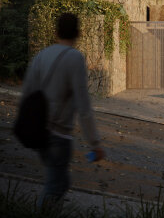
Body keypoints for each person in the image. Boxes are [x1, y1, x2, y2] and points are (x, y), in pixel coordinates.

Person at [19, 12, 105, 206]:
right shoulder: (75, 58)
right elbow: (83, 106)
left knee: (58, 182)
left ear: (56, 32)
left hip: (39, 131)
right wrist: (95, 143)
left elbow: (27, 93)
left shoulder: (41, 55)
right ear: (78, 33)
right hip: (59, 135)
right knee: (56, 186)